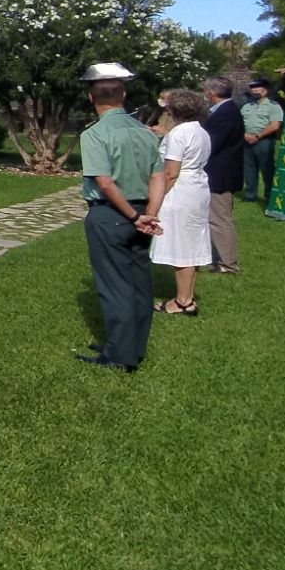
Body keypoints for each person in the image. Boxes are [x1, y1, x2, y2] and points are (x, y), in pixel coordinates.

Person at [75, 63, 165, 373]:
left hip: (111, 214)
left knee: (115, 285)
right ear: (123, 95)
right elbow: (158, 175)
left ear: (91, 98)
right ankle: (131, 344)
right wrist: (149, 213)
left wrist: (130, 215)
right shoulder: (144, 132)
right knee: (139, 282)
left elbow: (104, 182)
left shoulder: (95, 135)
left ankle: (120, 356)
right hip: (142, 210)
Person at [149, 88, 212, 316]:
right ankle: (187, 296)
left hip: (181, 190)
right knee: (191, 245)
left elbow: (171, 173)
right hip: (197, 189)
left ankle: (183, 300)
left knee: (182, 247)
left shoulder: (179, 134)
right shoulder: (201, 131)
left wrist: (154, 201)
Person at [201, 76, 244, 274]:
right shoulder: (225, 111)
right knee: (215, 217)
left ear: (211, 93)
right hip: (219, 172)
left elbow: (211, 143)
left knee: (220, 218)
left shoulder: (226, 114)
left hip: (221, 174)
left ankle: (228, 263)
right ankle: (220, 259)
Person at [241, 77, 285, 204]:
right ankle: (250, 194)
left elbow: (275, 125)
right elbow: (239, 122)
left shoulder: (273, 106)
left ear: (265, 91)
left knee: (267, 169)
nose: (254, 93)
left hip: (264, 141)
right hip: (246, 140)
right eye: (253, 91)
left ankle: (269, 195)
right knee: (248, 169)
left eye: (257, 90)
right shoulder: (246, 106)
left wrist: (258, 136)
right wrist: (245, 135)